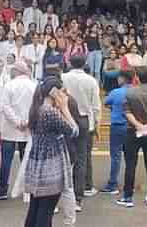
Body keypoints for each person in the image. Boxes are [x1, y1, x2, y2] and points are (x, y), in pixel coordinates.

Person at [24, 76, 79, 227]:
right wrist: (65, 108)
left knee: (35, 209)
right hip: (51, 167)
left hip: (37, 165)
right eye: (62, 91)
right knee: (45, 212)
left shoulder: (36, 109)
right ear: (54, 93)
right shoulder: (50, 112)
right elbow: (74, 131)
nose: (65, 95)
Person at [117, 66, 147, 208]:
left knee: (130, 163)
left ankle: (128, 196)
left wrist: (137, 125)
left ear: (136, 77)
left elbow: (126, 111)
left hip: (133, 131)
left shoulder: (130, 92)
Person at [61, 55, 101, 210]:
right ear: (85, 64)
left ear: (70, 63)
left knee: (64, 157)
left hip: (65, 117)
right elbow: (96, 105)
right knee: (82, 158)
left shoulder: (63, 77)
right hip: (84, 120)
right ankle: (78, 197)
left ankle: (63, 193)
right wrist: (96, 123)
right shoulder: (91, 80)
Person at [0, 61, 36, 200]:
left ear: (17, 71)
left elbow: (5, 107)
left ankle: (2, 189)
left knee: (6, 160)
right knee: (27, 160)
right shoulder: (33, 86)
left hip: (10, 129)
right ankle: (28, 190)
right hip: (28, 129)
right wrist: (26, 122)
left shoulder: (9, 85)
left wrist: (17, 122)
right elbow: (36, 107)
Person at [101, 69, 133, 194]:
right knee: (130, 157)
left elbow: (106, 103)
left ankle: (112, 184)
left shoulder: (115, 92)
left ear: (123, 79)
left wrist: (114, 108)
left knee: (116, 156)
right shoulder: (135, 91)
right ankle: (129, 184)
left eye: (119, 77)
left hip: (117, 126)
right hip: (131, 126)